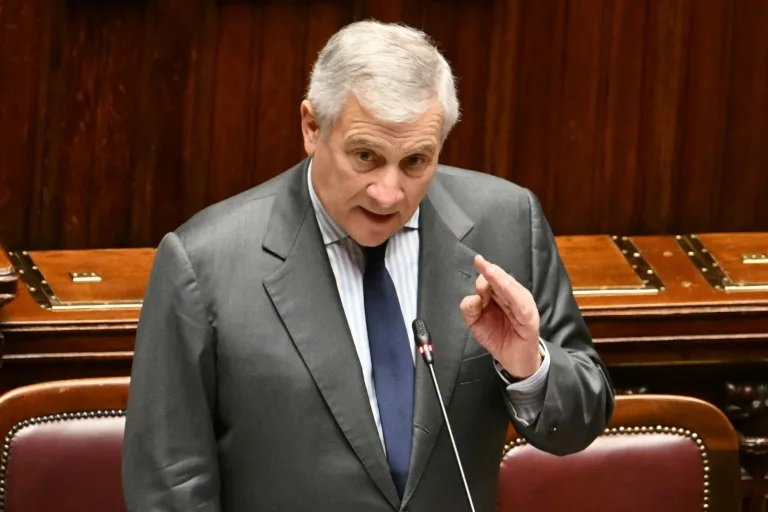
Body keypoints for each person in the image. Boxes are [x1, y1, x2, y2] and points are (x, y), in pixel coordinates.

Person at [122, 20, 614, 512]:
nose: (388, 193)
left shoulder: (506, 224)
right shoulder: (204, 264)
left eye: (415, 161)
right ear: (312, 127)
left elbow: (580, 422)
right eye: (365, 156)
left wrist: (529, 366)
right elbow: (170, 485)